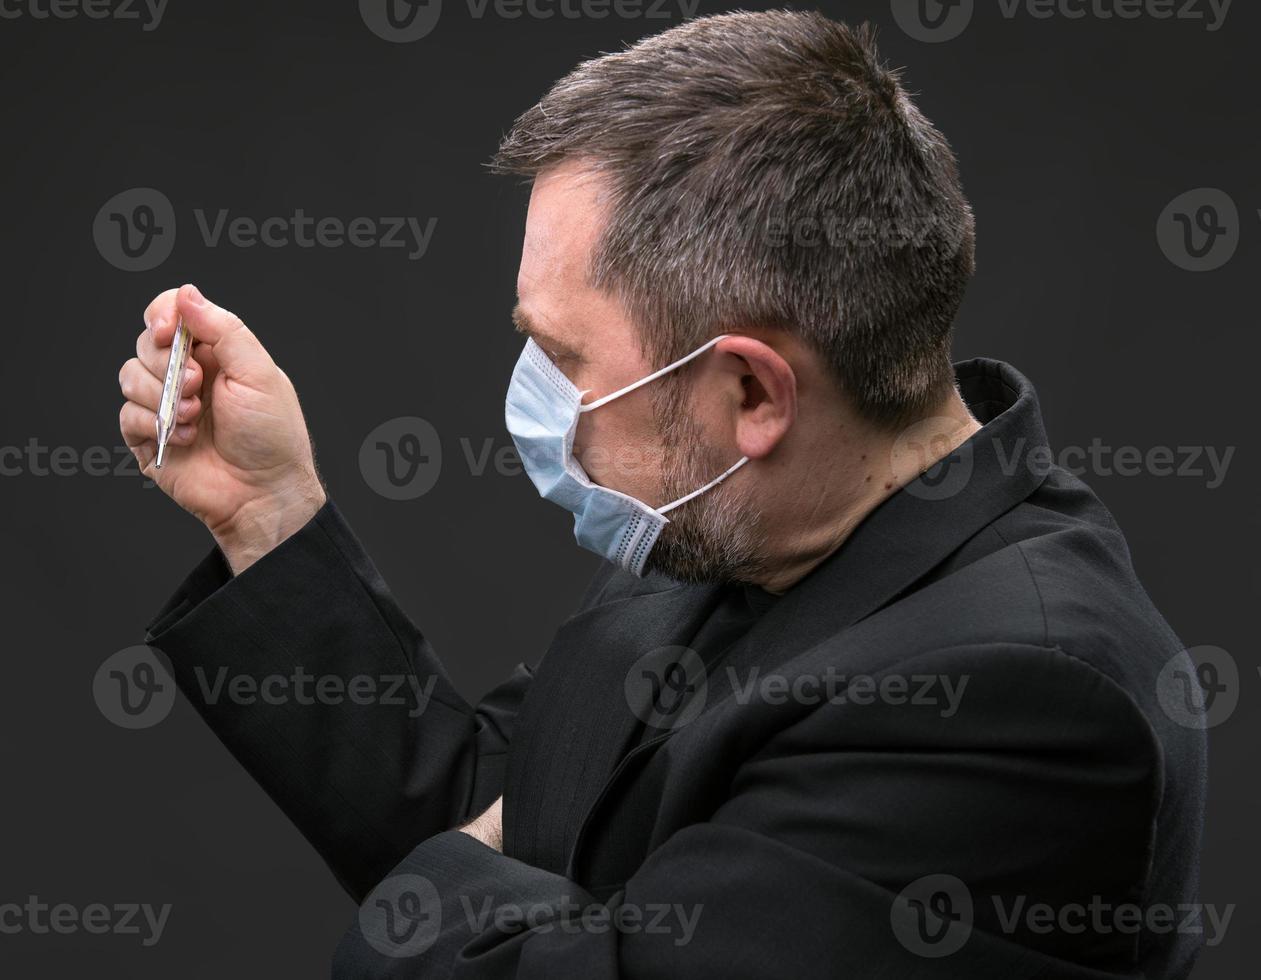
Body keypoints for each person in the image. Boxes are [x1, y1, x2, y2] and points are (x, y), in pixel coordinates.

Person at [116, 11, 1206, 978]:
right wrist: (267, 513)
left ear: (749, 390)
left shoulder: (1022, 700)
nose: (535, 397)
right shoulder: (736, 517)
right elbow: (503, 815)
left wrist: (485, 872)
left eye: (560, 354)